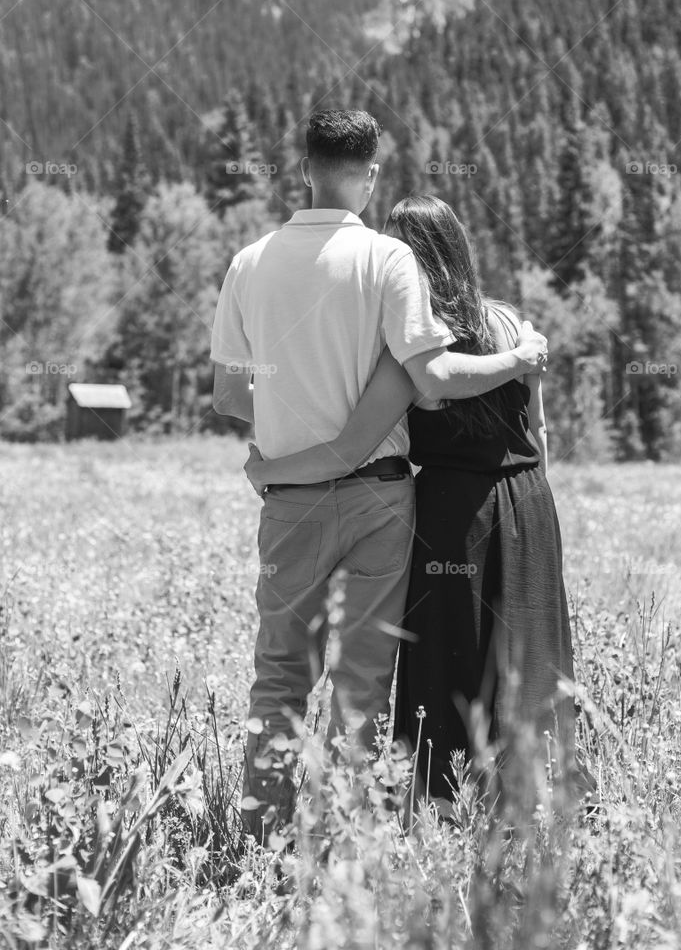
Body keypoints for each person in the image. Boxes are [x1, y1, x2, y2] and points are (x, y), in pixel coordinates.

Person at [210, 113, 547, 841]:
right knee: (362, 684)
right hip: (380, 497)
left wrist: (291, 416)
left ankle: (261, 833)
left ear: (303, 169)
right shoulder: (389, 261)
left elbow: (230, 395)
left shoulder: (249, 261)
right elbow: (430, 378)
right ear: (368, 174)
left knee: (278, 675)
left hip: (288, 500)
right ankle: (340, 838)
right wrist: (518, 362)